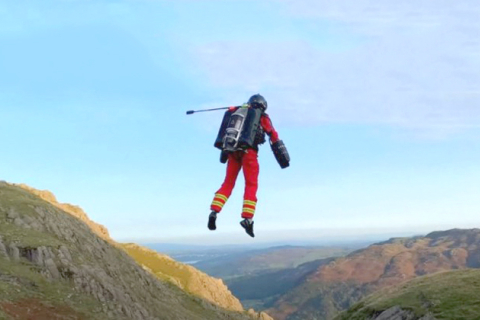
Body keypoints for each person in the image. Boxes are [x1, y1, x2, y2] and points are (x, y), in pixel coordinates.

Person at [208, 94, 280, 237]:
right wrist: (280, 152)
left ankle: (214, 211)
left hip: (232, 153)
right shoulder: (260, 116)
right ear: (262, 105)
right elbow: (272, 134)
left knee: (227, 184)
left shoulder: (235, 112)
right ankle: (248, 219)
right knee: (251, 185)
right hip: (249, 153)